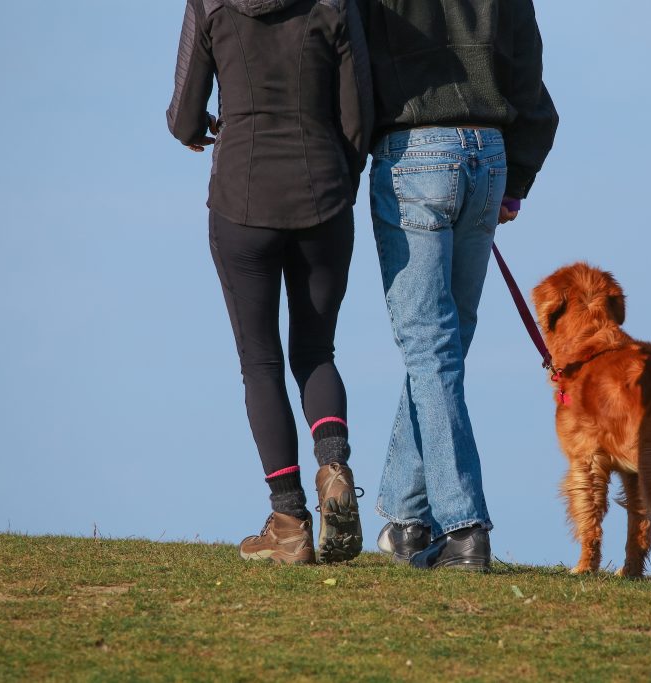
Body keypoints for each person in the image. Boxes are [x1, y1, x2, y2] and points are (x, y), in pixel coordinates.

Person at [167, 0, 373, 564]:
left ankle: (288, 521)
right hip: (323, 194)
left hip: (241, 199)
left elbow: (185, 115)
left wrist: (195, 129)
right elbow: (359, 114)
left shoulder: (208, 4)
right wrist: (340, 181)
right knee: (316, 351)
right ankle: (333, 467)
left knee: (261, 363)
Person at [358, 0, 558, 570]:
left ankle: (465, 530)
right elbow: (531, 82)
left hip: (412, 153)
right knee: (443, 348)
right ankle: (405, 520)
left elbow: (350, 69)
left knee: (431, 346)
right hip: (488, 157)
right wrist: (514, 179)